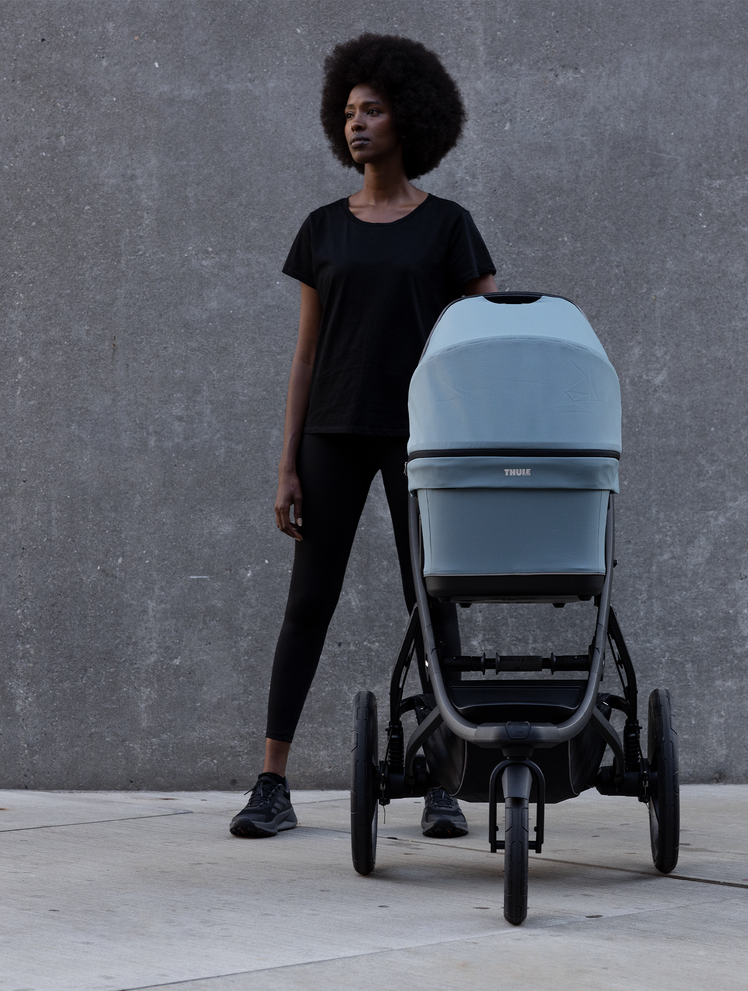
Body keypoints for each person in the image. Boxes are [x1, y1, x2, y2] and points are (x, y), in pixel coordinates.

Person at [230, 34, 497, 840]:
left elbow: (488, 339)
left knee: (432, 601)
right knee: (307, 602)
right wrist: (285, 465)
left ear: (408, 118)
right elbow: (306, 354)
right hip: (333, 436)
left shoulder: (449, 227)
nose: (356, 125)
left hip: (423, 442)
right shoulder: (322, 230)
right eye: (347, 112)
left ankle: (444, 777)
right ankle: (271, 783)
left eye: (371, 110)